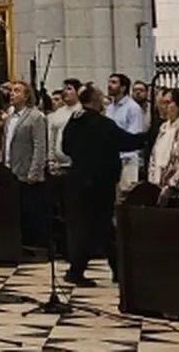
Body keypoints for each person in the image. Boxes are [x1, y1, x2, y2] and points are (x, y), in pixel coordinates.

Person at [60, 85, 146, 286]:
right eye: (101, 98)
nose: (104, 102)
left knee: (93, 227)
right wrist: (147, 137)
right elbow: (125, 142)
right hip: (99, 184)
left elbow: (65, 147)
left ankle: (114, 269)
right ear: (93, 101)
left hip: (77, 180)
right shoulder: (102, 123)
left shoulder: (74, 121)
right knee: (98, 226)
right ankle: (80, 270)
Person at [2, 80, 48, 247]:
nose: (12, 94)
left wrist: (34, 172)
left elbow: (39, 145)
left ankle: (35, 245)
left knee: (30, 211)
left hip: (27, 172)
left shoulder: (35, 116)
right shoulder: (10, 117)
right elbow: (6, 143)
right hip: (10, 170)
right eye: (12, 91)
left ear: (27, 95)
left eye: (17, 91)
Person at [105, 73, 146, 195]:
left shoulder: (132, 107)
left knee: (126, 194)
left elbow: (134, 135)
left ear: (123, 88)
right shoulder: (110, 108)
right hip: (112, 158)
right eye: (109, 82)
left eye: (114, 82)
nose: (109, 85)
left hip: (127, 159)